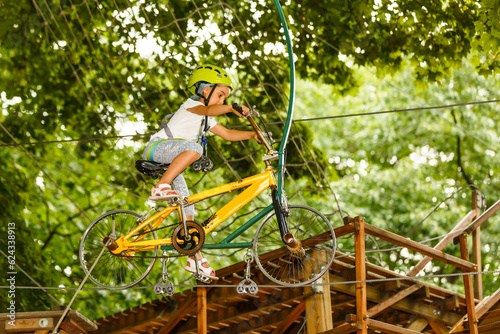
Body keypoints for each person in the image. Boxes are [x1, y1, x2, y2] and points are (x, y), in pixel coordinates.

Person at [142, 64, 260, 280]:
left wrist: (252, 135)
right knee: (194, 148)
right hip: (157, 148)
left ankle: (193, 256)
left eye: (225, 98)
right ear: (206, 90)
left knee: (187, 203)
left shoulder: (206, 118)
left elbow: (227, 133)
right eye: (221, 94)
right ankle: (160, 187)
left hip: (172, 158)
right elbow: (208, 109)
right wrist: (231, 108)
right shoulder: (192, 105)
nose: (223, 100)